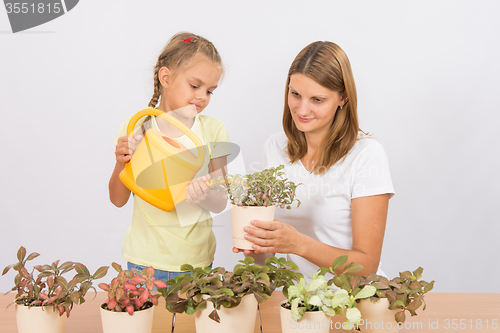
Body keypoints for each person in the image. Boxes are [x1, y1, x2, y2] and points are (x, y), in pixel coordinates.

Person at [236, 41, 394, 279]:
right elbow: (265, 259)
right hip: (299, 304)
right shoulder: (274, 147)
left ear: (343, 98)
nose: (302, 109)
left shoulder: (366, 155)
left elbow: (367, 264)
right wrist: (253, 241)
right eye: (295, 94)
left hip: (353, 302)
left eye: (317, 100)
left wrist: (299, 244)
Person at [109, 32, 231, 282]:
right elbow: (117, 199)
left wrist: (206, 193)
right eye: (195, 86)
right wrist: (122, 161)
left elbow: (220, 201)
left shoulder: (213, 130)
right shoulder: (137, 128)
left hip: (196, 262)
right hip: (143, 262)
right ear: (165, 77)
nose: (202, 97)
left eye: (210, 91)